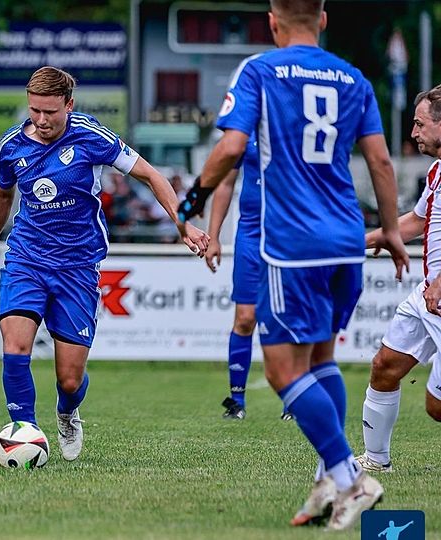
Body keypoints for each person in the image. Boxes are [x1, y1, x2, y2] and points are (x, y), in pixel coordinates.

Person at [177, 0, 409, 530]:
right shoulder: (354, 78)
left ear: (272, 23)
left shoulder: (259, 69)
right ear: (323, 19)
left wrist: (190, 205)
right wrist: (392, 230)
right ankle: (332, 474)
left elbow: (231, 147)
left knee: (284, 371)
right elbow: (380, 161)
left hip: (294, 243)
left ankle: (351, 477)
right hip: (348, 239)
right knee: (321, 358)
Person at [0, 66, 209, 462]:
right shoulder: (11, 146)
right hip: (26, 257)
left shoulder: (90, 136)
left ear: (69, 104)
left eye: (50, 112)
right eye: (34, 112)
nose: (42, 121)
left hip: (78, 266)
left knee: (69, 378)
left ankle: (66, 410)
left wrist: (182, 224)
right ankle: (23, 431)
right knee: (15, 344)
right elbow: (2, 195)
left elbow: (150, 174)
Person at [358, 84, 441, 473]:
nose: (413, 133)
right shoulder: (437, 171)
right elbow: (417, 222)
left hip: (439, 292)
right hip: (428, 295)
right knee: (385, 365)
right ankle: (376, 461)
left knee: (436, 407)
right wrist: (358, 242)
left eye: (420, 124)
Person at [204, 136, 293, 421]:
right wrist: (214, 236)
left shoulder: (298, 124)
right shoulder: (244, 133)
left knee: (287, 317)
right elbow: (226, 183)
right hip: (251, 235)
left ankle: (294, 399)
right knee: (245, 317)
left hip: (290, 234)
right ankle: (237, 400)